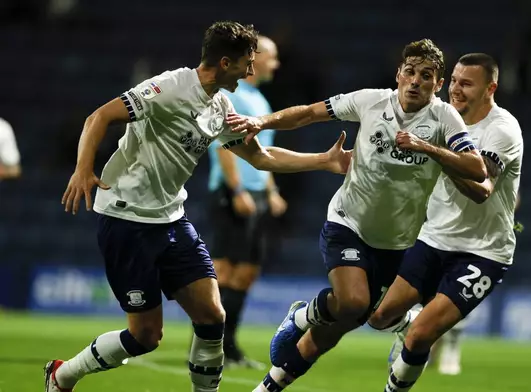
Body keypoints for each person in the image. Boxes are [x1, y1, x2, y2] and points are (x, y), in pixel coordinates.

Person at [45, 21, 351, 392]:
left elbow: (261, 157)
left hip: (172, 219)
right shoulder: (169, 87)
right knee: (145, 336)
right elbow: (100, 117)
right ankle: (62, 375)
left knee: (212, 317)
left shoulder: (221, 104)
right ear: (225, 63)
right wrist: (82, 169)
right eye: (246, 63)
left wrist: (324, 160)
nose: (251, 71)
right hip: (127, 219)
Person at [226, 39, 488, 392]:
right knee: (352, 302)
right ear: (398, 74)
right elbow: (308, 112)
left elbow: (476, 168)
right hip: (348, 223)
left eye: (426, 76)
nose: (415, 81)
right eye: (409, 72)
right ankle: (304, 316)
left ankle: (271, 383)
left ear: (437, 84)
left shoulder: (444, 118)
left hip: (396, 243)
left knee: (342, 325)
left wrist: (426, 146)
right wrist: (261, 120)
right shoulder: (370, 101)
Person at [366, 53, 524, 391]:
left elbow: (482, 190)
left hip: (483, 252)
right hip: (434, 239)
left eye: (467, 84)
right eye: (453, 81)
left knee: (422, 334)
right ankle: (407, 322)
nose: (456, 89)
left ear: (490, 88)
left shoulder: (502, 129)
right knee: (378, 317)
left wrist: (432, 150)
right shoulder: (439, 118)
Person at [207, 35, 284, 368]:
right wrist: (237, 190)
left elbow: (260, 153)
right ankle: (212, 347)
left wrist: (270, 190)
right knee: (226, 270)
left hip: (256, 194)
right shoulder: (231, 96)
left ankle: (228, 346)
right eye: (272, 57)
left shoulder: (260, 100)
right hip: (234, 192)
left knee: (247, 271)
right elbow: (221, 145)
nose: (276, 64)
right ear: (256, 59)